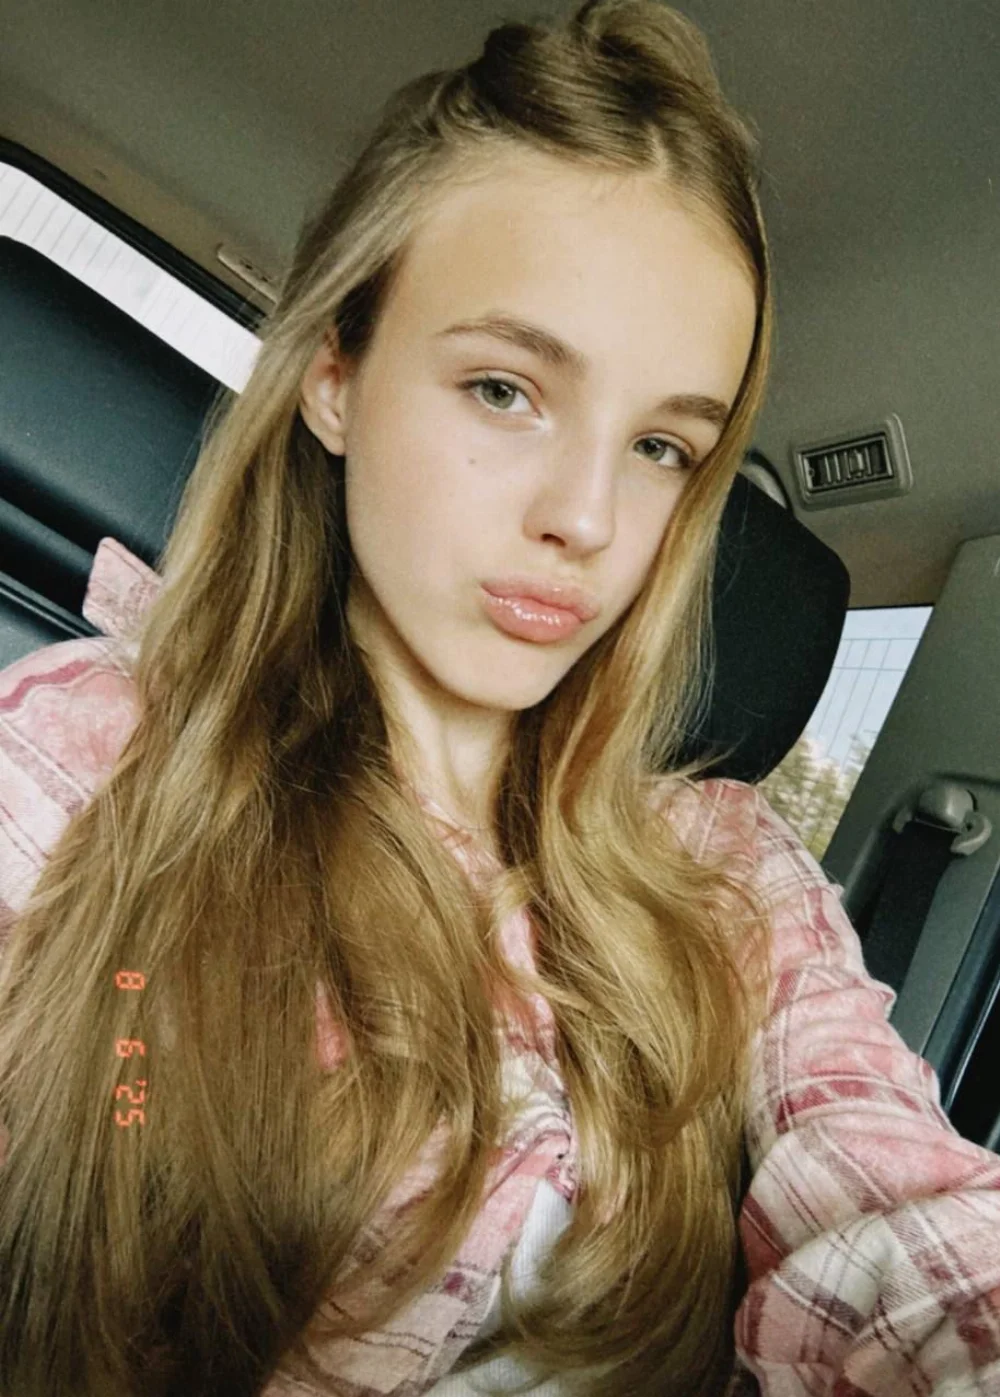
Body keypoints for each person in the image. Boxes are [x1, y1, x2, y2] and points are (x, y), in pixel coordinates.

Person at [2, 1, 1000, 1393]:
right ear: (336, 375)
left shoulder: (729, 879)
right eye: (503, 389)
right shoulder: (81, 757)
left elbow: (900, 1215)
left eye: (661, 447)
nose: (587, 518)